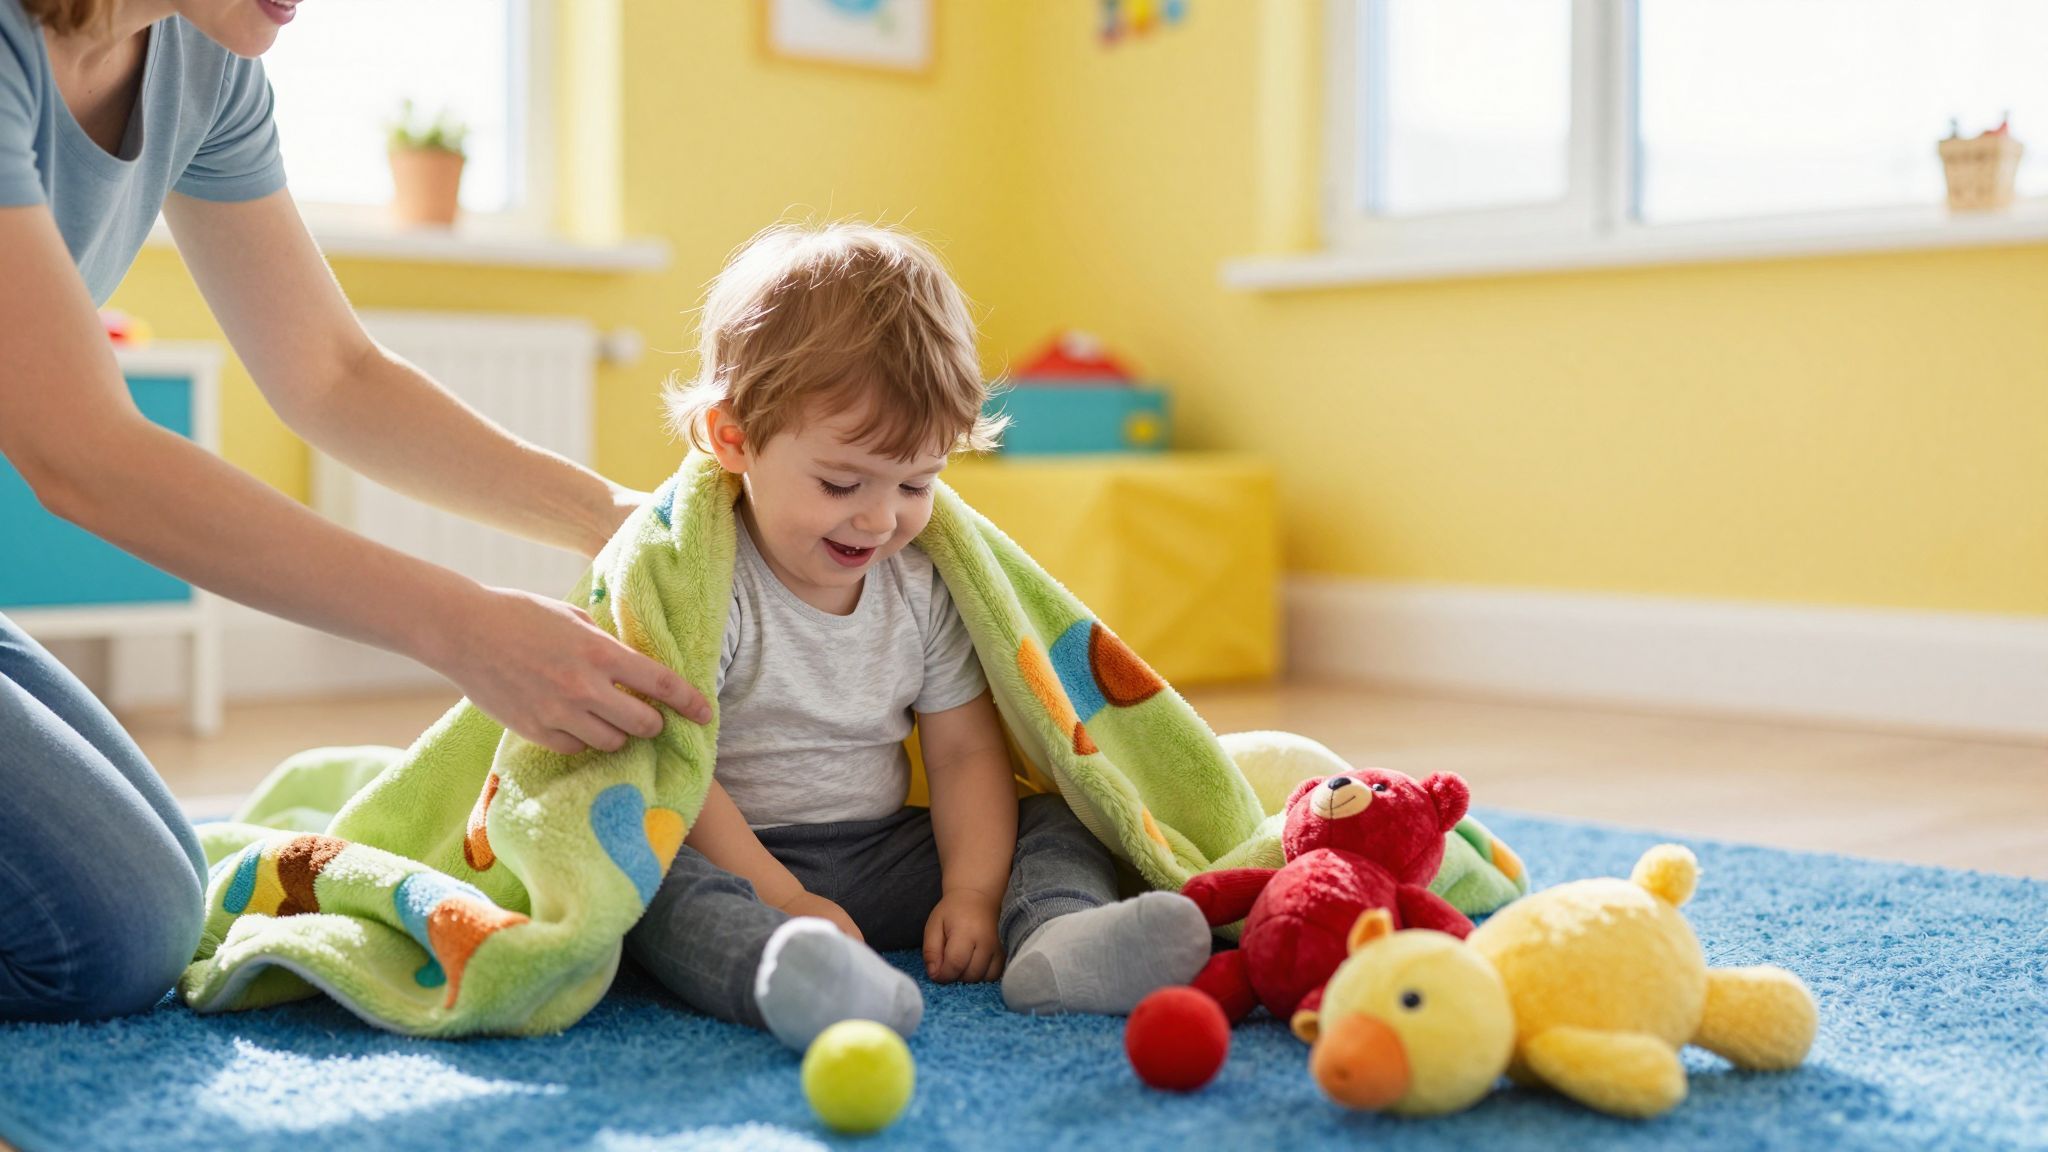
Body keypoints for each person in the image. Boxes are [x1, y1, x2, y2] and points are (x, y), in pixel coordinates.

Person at [0, 0, 709, 1023]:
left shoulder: (201, 61)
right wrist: (461, 627)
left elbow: (333, 375)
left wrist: (611, 513)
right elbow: (86, 454)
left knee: (154, 898)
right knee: (102, 942)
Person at [622, 222, 1214, 1051]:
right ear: (734, 439)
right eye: (840, 482)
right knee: (644, 878)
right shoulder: (700, 582)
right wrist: (786, 900)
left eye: (916, 482)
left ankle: (1055, 939)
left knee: (1066, 815)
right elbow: (680, 773)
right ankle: (785, 969)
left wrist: (972, 895)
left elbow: (967, 755)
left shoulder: (921, 582)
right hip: (727, 852)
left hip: (881, 853)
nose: (879, 517)